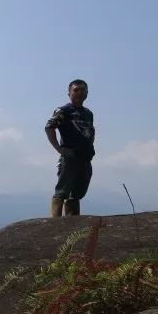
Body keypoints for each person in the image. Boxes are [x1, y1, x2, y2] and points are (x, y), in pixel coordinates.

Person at [45, 79, 95, 216]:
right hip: (70, 158)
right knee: (62, 192)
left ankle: (71, 224)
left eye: (83, 90)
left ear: (87, 93)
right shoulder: (64, 111)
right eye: (76, 90)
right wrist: (59, 149)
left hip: (85, 158)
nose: (79, 92)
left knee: (77, 194)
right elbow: (49, 127)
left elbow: (90, 131)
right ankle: (55, 227)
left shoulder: (88, 113)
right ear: (69, 93)